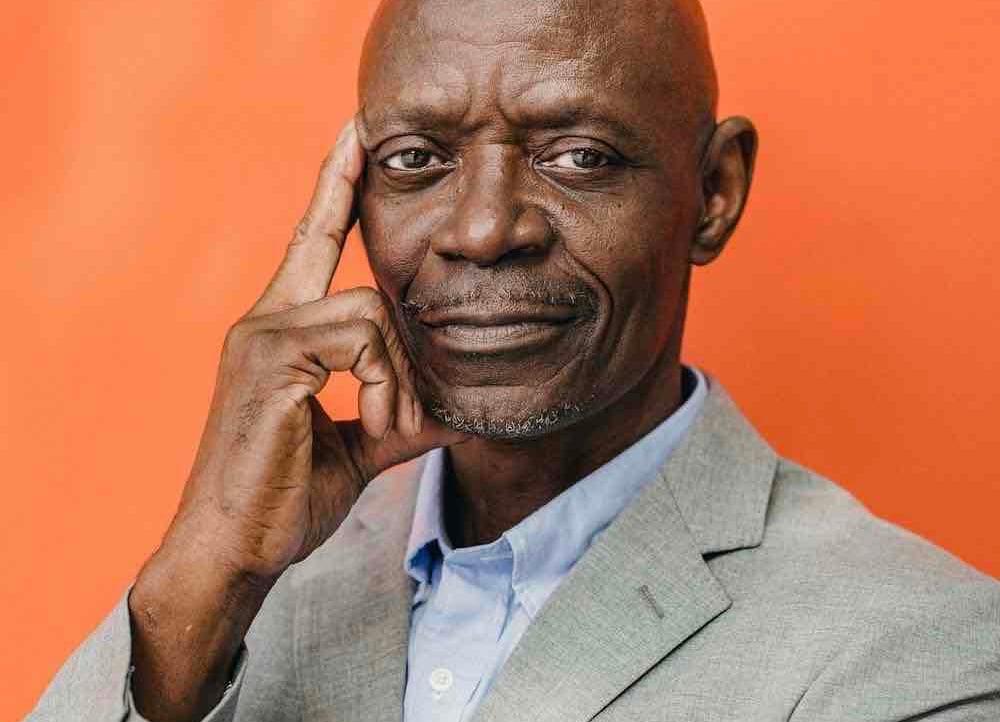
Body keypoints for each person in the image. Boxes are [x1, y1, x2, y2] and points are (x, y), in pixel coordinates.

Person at [26, 0, 1000, 720]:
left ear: (713, 192)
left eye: (580, 155)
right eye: (416, 159)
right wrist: (206, 570)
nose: (484, 229)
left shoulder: (917, 649)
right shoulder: (239, 596)